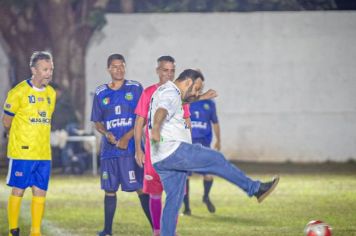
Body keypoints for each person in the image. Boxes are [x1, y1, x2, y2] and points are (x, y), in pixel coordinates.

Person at [148, 69, 279, 236]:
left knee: (174, 200)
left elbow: (177, 102)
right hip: (174, 151)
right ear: (188, 82)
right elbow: (162, 111)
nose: (197, 93)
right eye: (197, 89)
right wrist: (156, 129)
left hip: (160, 158)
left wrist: (202, 97)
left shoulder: (166, 90)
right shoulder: (170, 93)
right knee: (215, 158)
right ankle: (255, 188)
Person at [91, 54, 152, 236]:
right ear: (108, 69)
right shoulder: (101, 92)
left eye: (122, 66)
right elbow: (97, 122)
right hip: (109, 152)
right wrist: (106, 133)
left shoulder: (135, 88)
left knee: (140, 188)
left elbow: (142, 117)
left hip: (131, 150)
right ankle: (107, 230)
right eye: (115, 67)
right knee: (109, 189)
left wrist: (127, 136)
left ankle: (158, 229)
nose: (119, 69)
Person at [134, 55, 191, 236]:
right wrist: (138, 150)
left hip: (175, 154)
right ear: (158, 71)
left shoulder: (180, 94)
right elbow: (139, 123)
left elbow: (187, 123)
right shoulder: (148, 92)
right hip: (154, 154)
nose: (169, 74)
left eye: (172, 71)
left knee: (175, 195)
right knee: (155, 193)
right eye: (165, 70)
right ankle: (157, 231)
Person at [3, 51, 56, 236]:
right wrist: (16, 136)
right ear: (33, 69)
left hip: (43, 153)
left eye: (51, 69)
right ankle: (13, 230)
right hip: (23, 153)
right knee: (18, 190)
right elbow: (7, 121)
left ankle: (36, 232)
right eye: (45, 69)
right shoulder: (18, 92)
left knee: (40, 192)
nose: (49, 73)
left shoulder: (51, 93)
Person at [182, 98, 221, 215]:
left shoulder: (209, 103)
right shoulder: (185, 102)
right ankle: (187, 208)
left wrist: (219, 140)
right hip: (188, 145)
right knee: (185, 177)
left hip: (204, 146)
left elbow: (215, 122)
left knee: (208, 175)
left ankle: (206, 197)